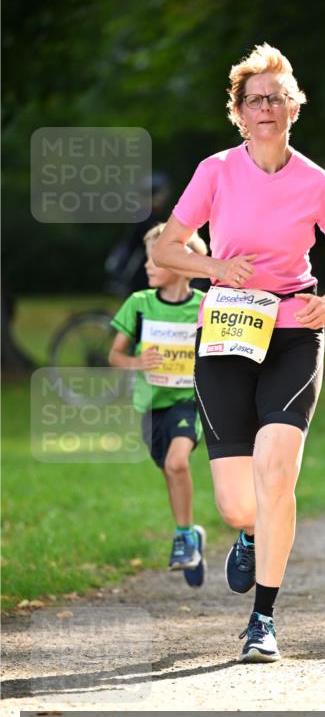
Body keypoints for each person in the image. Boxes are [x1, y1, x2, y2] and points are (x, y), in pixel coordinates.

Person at [151, 43, 325, 662]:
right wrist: (218, 265)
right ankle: (248, 535)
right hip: (227, 326)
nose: (267, 108)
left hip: (295, 329)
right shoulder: (216, 171)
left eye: (277, 97)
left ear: (294, 107)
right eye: (255, 100)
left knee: (277, 474)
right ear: (239, 112)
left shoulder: (317, 183)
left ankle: (263, 619)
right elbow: (170, 249)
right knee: (235, 501)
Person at [108, 223, 209, 585]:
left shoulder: (204, 307)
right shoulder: (139, 305)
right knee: (168, 468)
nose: (148, 267)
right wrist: (138, 363)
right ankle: (191, 532)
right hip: (151, 406)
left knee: (177, 462)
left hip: (190, 402)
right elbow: (115, 355)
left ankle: (182, 538)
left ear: (181, 264)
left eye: (156, 260)